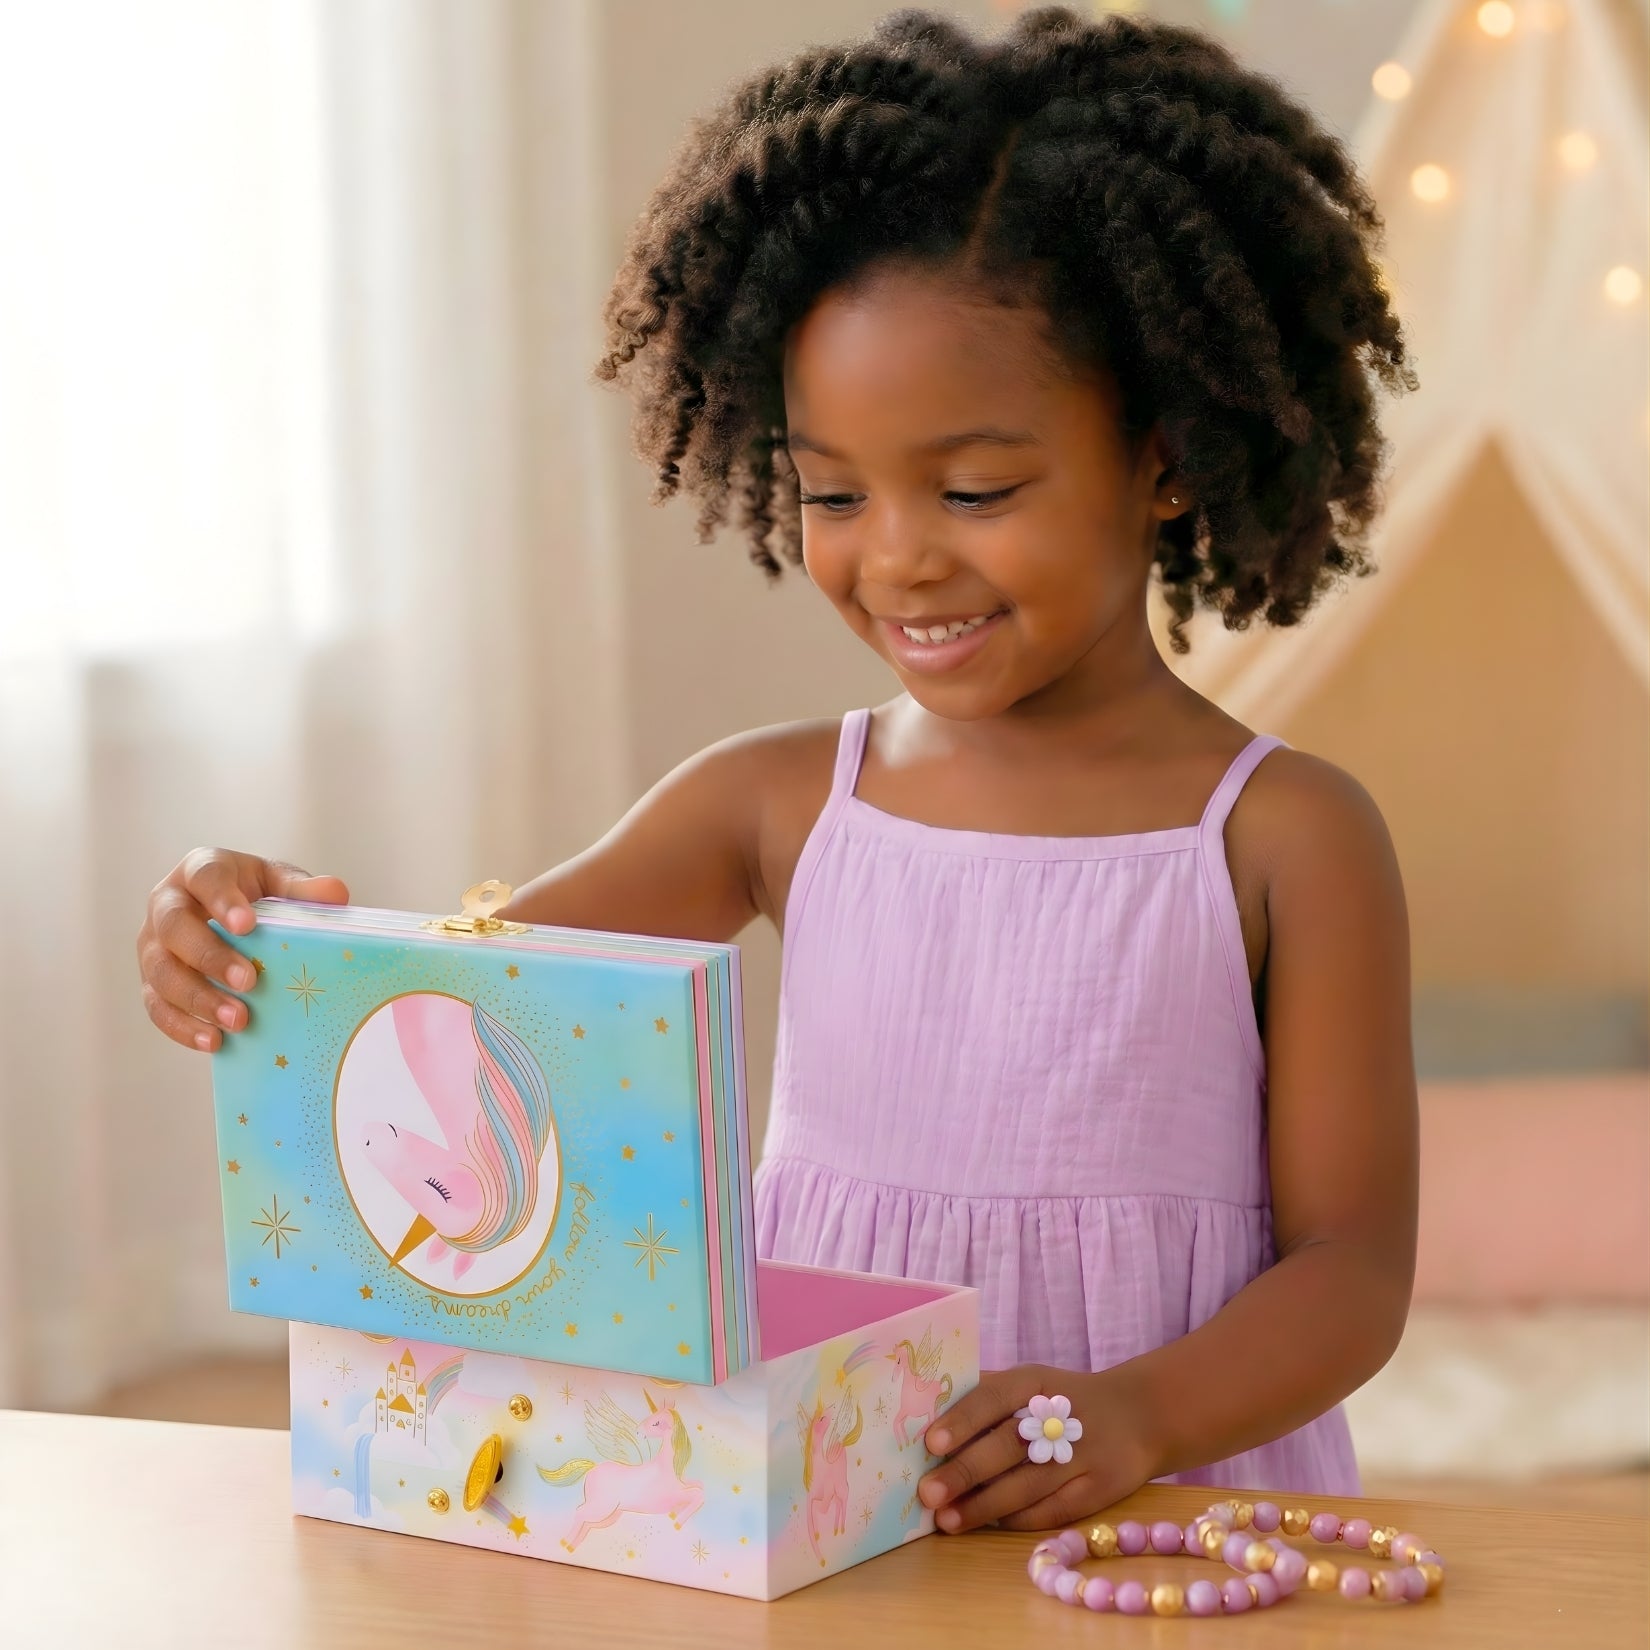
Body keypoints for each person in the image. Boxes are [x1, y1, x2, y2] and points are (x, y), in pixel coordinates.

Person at [135, 6, 1420, 1534]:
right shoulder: (772, 805)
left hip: (1164, 1517)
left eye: (973, 486)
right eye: (829, 490)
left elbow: (1351, 1271)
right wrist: (250, 939)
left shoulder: (1284, 835)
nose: (894, 554)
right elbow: (465, 1022)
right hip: (824, 1517)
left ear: (1161, 455)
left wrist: (1138, 1409)